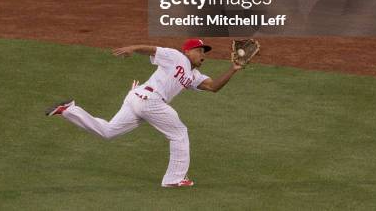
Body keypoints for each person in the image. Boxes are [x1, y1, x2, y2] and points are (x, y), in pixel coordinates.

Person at [45, 39, 243, 188]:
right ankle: (174, 179)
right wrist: (133, 48)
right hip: (149, 100)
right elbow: (154, 49)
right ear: (188, 51)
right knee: (179, 133)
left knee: (108, 131)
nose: (203, 54)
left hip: (138, 98)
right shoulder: (177, 57)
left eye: (204, 52)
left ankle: (69, 110)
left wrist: (233, 69)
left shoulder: (193, 75)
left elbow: (214, 86)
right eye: (199, 50)